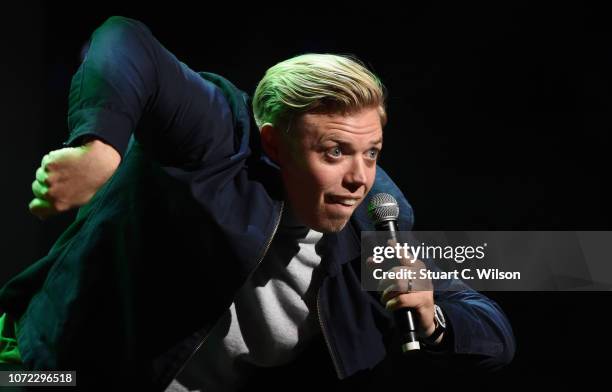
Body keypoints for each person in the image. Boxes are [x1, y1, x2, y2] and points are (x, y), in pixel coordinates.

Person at [0, 16, 515, 390]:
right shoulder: (221, 139)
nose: (358, 178)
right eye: (334, 152)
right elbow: (123, 39)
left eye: (372, 152)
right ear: (273, 144)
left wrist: (433, 320)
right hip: (52, 363)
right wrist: (99, 147)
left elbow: (493, 331)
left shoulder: (378, 229)